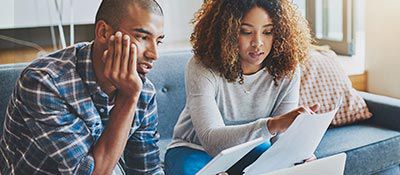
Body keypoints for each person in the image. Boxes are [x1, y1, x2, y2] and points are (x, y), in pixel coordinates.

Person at [0, 0, 165, 174]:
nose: (154, 54)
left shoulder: (143, 90)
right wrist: (128, 97)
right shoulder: (44, 83)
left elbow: (147, 170)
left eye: (159, 41)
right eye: (142, 37)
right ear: (103, 33)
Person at [164, 0, 317, 174]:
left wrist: (301, 155)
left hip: (250, 147)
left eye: (268, 31)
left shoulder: (287, 69)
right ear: (226, 32)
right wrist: (273, 125)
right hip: (194, 150)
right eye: (246, 32)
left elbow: (282, 138)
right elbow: (211, 140)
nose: (258, 42)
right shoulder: (202, 67)